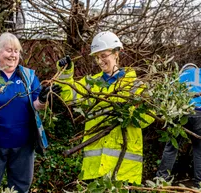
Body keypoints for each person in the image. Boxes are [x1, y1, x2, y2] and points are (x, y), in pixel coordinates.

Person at [0, 32, 61, 193]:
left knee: (19, 192)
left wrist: (43, 99)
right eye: (9, 50)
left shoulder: (28, 76)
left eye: (16, 51)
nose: (13, 55)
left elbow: (36, 105)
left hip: (23, 145)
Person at [56, 31, 155, 184]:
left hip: (123, 168)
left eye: (103, 55)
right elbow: (68, 97)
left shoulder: (135, 86)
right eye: (96, 57)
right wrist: (65, 73)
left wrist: (128, 112)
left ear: (117, 53)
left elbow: (148, 117)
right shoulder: (90, 84)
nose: (99, 61)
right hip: (94, 167)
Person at [156, 63, 201, 189]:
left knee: (171, 148)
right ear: (194, 68)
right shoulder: (200, 72)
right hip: (200, 111)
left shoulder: (176, 78)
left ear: (182, 70)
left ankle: (160, 182)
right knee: (200, 149)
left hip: (179, 113)